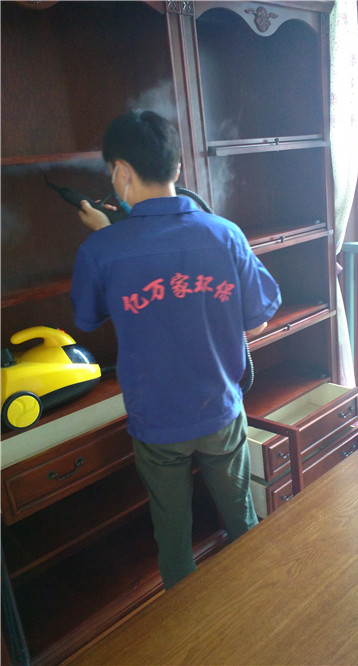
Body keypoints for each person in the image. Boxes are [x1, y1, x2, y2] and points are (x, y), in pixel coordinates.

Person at [70, 110, 281, 589]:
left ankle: (184, 624)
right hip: (220, 411)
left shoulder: (101, 250)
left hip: (156, 422)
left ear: (121, 171)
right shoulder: (224, 234)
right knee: (242, 518)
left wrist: (106, 235)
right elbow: (258, 318)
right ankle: (260, 604)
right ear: (177, 167)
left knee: (172, 536)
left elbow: (87, 318)